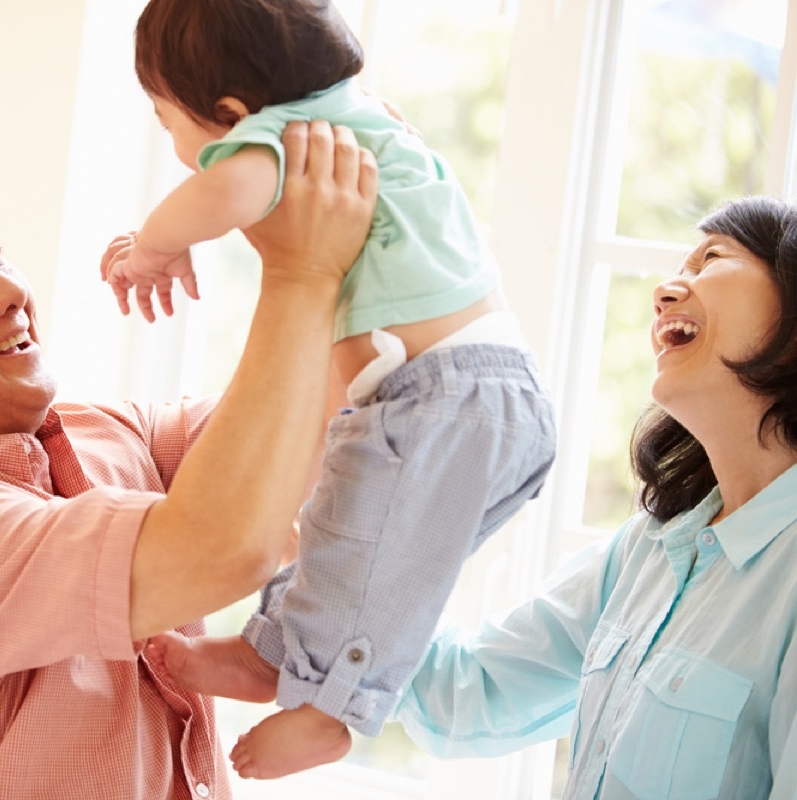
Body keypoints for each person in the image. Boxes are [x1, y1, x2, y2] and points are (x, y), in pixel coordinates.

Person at [0, 120, 378, 800]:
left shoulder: (112, 434)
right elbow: (224, 547)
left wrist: (370, 203)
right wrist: (303, 271)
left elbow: (327, 423)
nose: (11, 290)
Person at [163, 195, 797, 797]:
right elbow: (469, 691)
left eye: (713, 258)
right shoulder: (653, 546)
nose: (664, 292)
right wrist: (333, 561)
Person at [106, 0, 557, 779]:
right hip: (473, 397)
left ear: (229, 113)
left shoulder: (279, 143)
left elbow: (225, 193)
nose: (175, 146)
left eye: (165, 119)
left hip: (440, 397)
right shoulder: (362, 116)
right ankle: (272, 655)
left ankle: (329, 712)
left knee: (365, 553)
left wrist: (151, 248)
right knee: (347, 539)